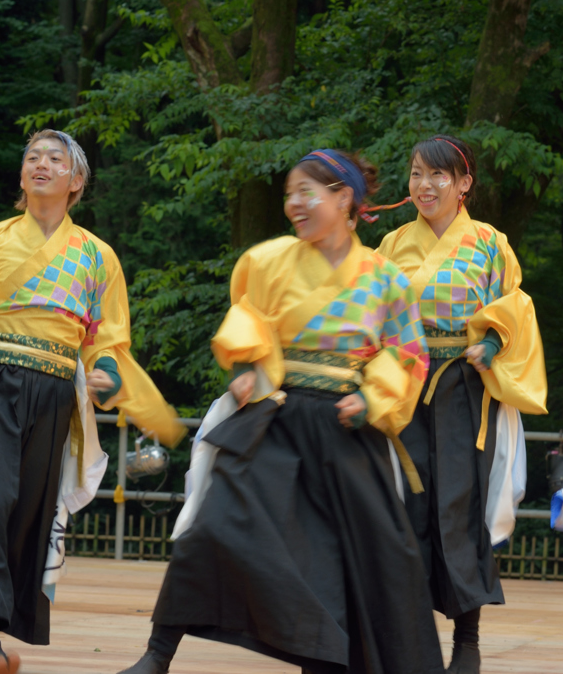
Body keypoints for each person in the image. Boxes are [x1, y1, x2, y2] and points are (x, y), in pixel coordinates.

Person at [117, 149, 444, 674]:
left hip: (345, 427)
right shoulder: (267, 262)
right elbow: (247, 323)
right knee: (215, 524)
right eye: (289, 193)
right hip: (277, 416)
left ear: (344, 199)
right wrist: (244, 368)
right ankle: (158, 654)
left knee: (365, 557)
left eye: (306, 192)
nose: (293, 204)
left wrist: (373, 397)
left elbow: (408, 353)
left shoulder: (386, 278)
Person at [0, 129, 184, 674]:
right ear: (21, 176)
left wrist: (106, 370)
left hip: (55, 390)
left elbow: (107, 337)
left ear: (76, 180)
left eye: (54, 159)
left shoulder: (97, 256)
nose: (40, 164)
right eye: (32, 158)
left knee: (21, 516)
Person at [377, 135, 547, 674]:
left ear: (464, 183)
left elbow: (513, 305)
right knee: (407, 502)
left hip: (464, 387)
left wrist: (493, 341)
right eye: (416, 175)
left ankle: (467, 639)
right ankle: (408, 638)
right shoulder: (391, 244)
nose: (424, 186)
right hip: (405, 384)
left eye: (438, 176)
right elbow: (366, 309)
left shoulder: (490, 244)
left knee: (460, 502)